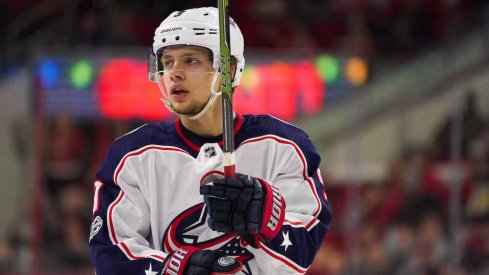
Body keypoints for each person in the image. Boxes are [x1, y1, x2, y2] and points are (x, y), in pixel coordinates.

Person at [89, 7, 331, 275]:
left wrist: (267, 218)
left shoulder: (284, 145)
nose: (174, 73)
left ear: (229, 70)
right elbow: (111, 254)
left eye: (190, 60)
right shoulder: (131, 155)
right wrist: (176, 270)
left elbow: (303, 251)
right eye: (167, 62)